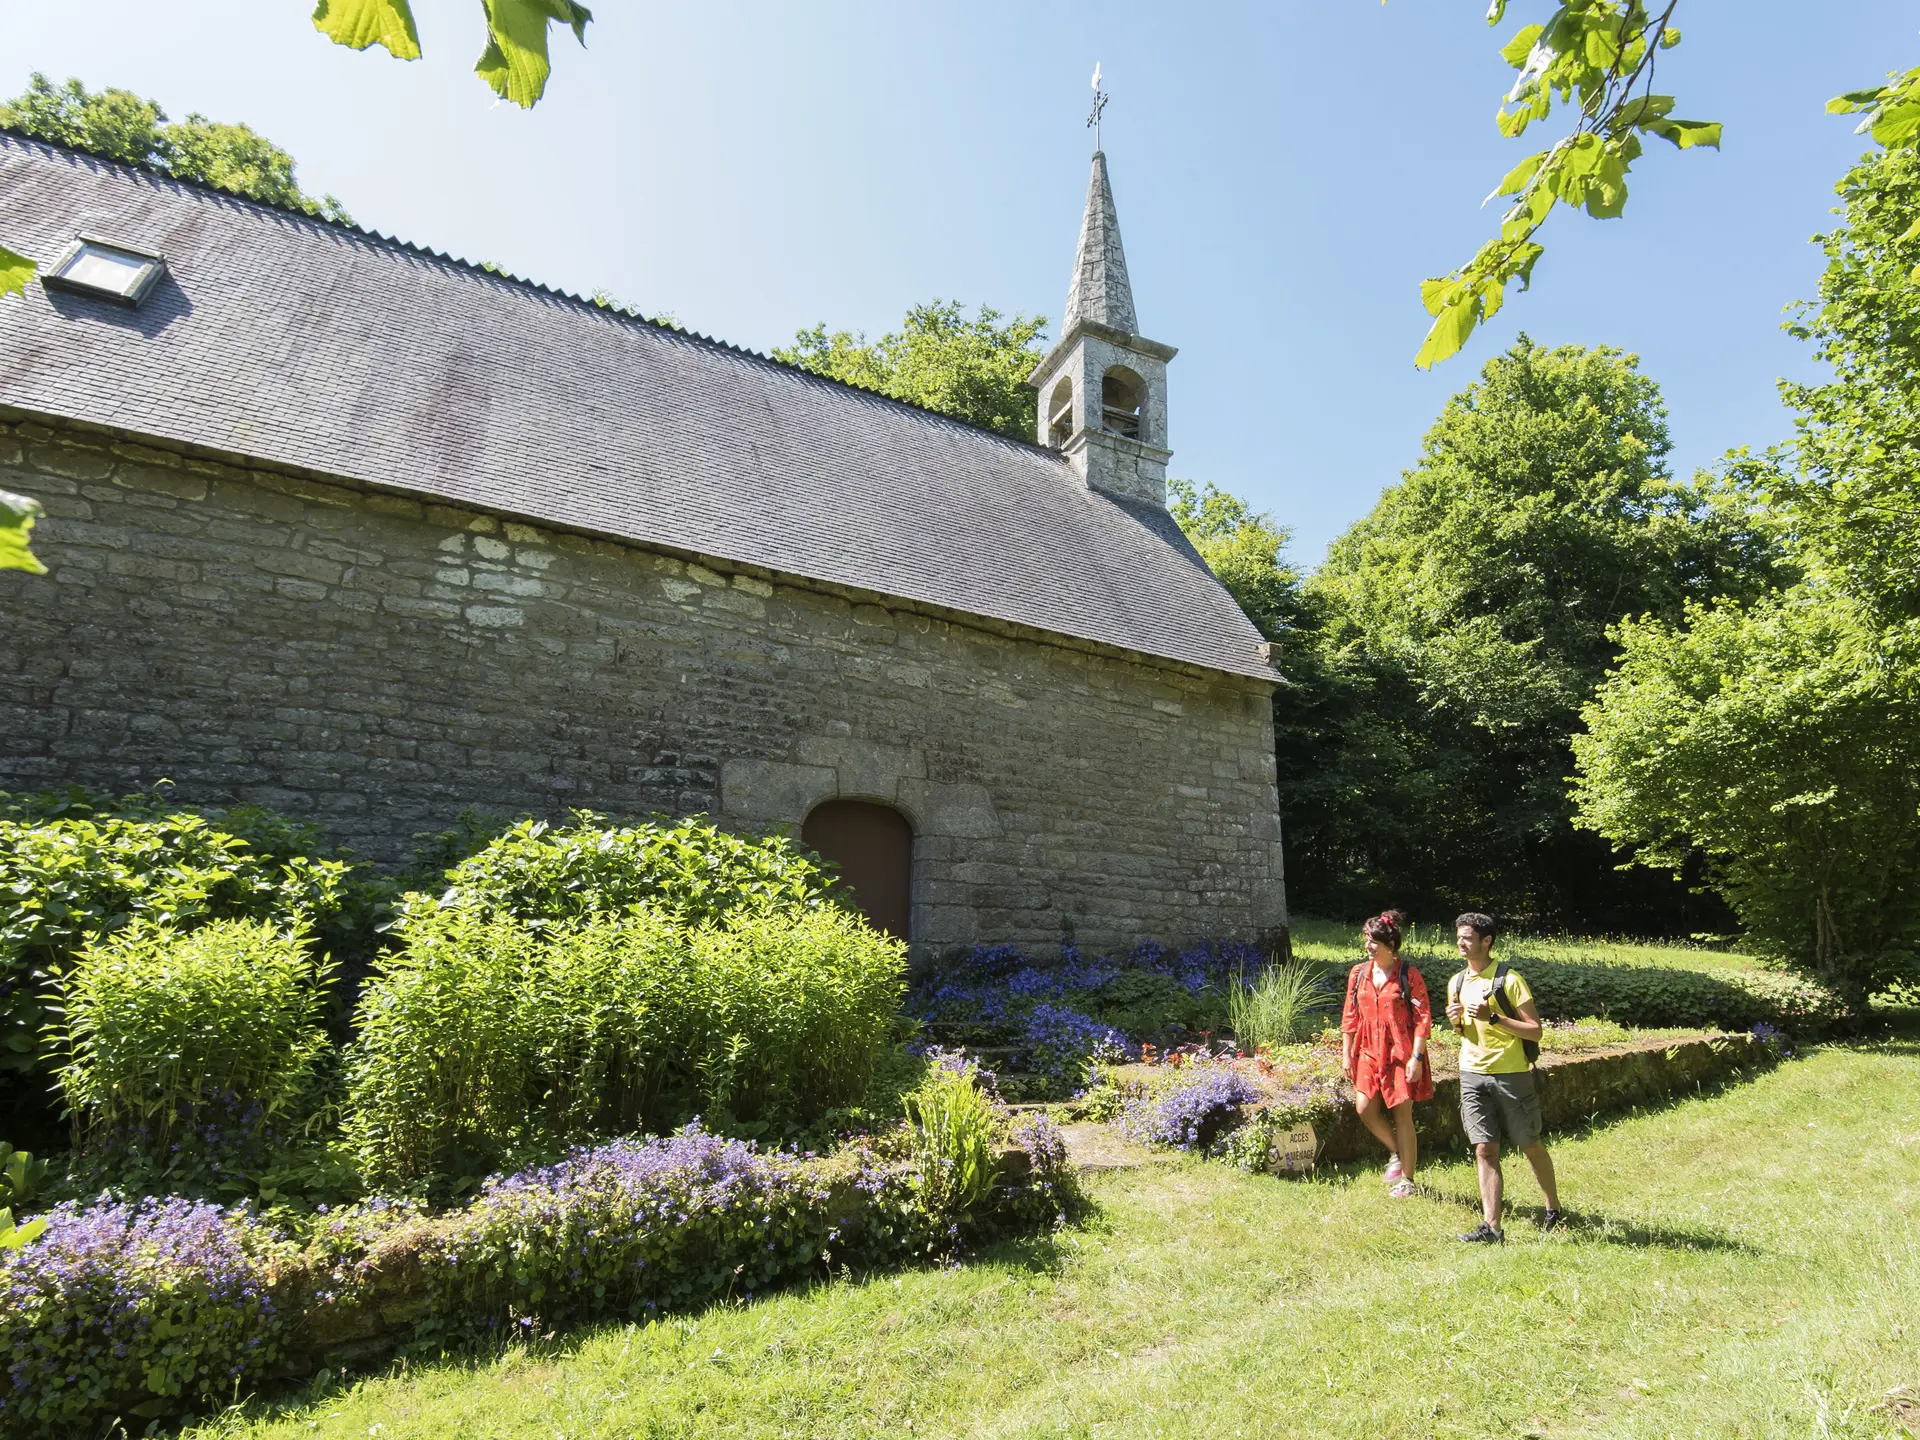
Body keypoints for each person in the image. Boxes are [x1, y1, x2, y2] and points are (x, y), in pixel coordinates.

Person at [1445, 912, 1563, 1242]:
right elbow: (1465, 1032)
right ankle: (1492, 1227)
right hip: (1471, 1074)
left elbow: (1535, 1032)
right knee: (1484, 1149)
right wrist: (1455, 1021)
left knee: (1529, 1143)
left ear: (1487, 941)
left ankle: (1553, 1207)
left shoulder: (1509, 980)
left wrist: (1493, 1017)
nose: (1461, 942)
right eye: (1459, 936)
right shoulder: (1456, 983)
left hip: (1511, 1075)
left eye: (1468, 937)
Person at [1340, 909, 1433, 1199]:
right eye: (1367, 939)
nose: (1368, 945)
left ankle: (1407, 1179)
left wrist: (1416, 1058)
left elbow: (1423, 1018)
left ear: (1390, 945)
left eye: (1373, 941)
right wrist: (1346, 1054)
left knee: (1402, 1114)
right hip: (1367, 1049)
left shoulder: (1409, 975)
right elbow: (1349, 1016)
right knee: (1364, 1108)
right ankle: (1396, 1152)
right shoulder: (1358, 974)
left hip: (1399, 1051)